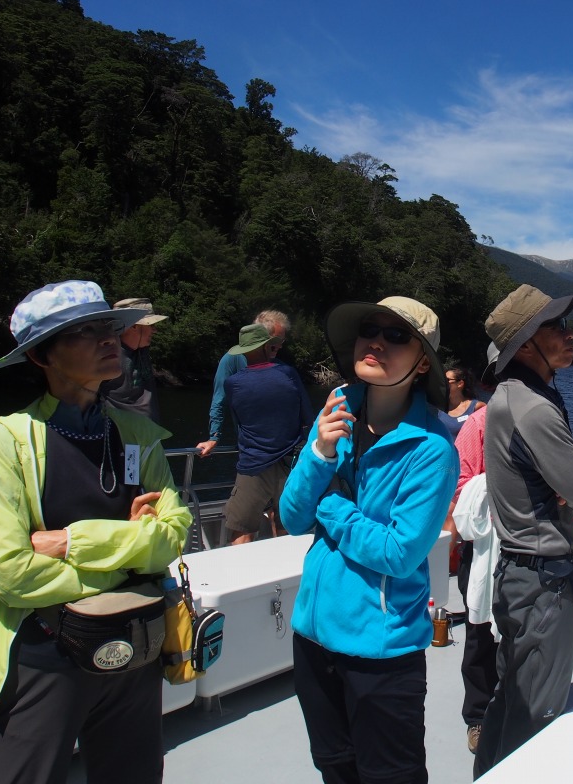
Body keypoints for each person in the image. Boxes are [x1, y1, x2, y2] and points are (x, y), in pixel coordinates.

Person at [0, 280, 192, 784]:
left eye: (109, 329)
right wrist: (128, 555)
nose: (108, 340)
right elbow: (7, 569)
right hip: (42, 655)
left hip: (133, 649)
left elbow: (175, 532)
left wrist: (71, 543)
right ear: (41, 357)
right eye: (85, 332)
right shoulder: (3, 444)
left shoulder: (137, 434)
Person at [280, 296, 457, 784]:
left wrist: (331, 504)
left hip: (382, 655)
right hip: (314, 640)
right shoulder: (337, 414)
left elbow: (398, 553)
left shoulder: (431, 450)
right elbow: (293, 517)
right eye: (369, 330)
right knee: (335, 769)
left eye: (397, 335)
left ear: (423, 363)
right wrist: (319, 451)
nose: (376, 341)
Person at [473, 285, 573, 777]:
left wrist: (570, 483)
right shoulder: (534, 407)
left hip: (518, 574)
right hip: (545, 583)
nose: (571, 335)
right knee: (538, 716)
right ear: (527, 343)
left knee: (511, 698)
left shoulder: (508, 398)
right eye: (558, 327)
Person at [449, 344, 501, 755]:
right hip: (484, 547)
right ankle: (479, 717)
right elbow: (464, 486)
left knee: (523, 632)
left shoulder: (546, 419)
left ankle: (520, 706)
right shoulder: (477, 426)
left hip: (530, 547)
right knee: (479, 635)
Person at [222, 322, 312, 545]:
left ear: (243, 352)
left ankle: (238, 577)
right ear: (266, 347)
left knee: (241, 528)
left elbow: (239, 422)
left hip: (252, 464)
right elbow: (307, 417)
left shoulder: (232, 383)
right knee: (287, 525)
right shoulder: (288, 374)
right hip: (289, 462)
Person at [196, 308, 290, 457]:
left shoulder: (282, 368)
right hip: (251, 450)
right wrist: (214, 437)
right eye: (277, 341)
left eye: (282, 341)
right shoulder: (231, 360)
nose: (280, 346)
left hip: (283, 447)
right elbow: (219, 400)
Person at [102, 297, 168, 421]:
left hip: (150, 436)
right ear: (133, 326)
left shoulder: (142, 349)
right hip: (121, 436)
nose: (155, 330)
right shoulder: (107, 357)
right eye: (151, 325)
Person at [445, 365, 483, 437]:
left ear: (460, 384)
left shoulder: (477, 407)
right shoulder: (439, 408)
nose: (444, 383)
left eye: (447, 380)